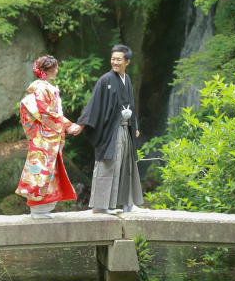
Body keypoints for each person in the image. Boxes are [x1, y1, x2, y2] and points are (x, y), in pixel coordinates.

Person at [69, 45, 144, 214]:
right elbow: (93, 105)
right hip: (111, 130)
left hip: (126, 129)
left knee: (127, 164)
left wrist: (135, 126)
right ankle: (101, 206)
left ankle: (128, 203)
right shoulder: (105, 80)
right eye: (113, 59)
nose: (114, 62)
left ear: (127, 61)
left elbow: (131, 105)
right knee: (108, 164)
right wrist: (81, 125)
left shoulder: (128, 79)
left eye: (118, 59)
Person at [15, 55, 78, 219]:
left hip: (45, 136)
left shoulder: (43, 87)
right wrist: (66, 124)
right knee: (41, 171)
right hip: (44, 137)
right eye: (55, 68)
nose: (57, 70)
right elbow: (44, 113)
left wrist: (64, 124)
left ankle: (42, 209)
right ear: (50, 70)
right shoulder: (42, 89)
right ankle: (38, 208)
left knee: (45, 171)